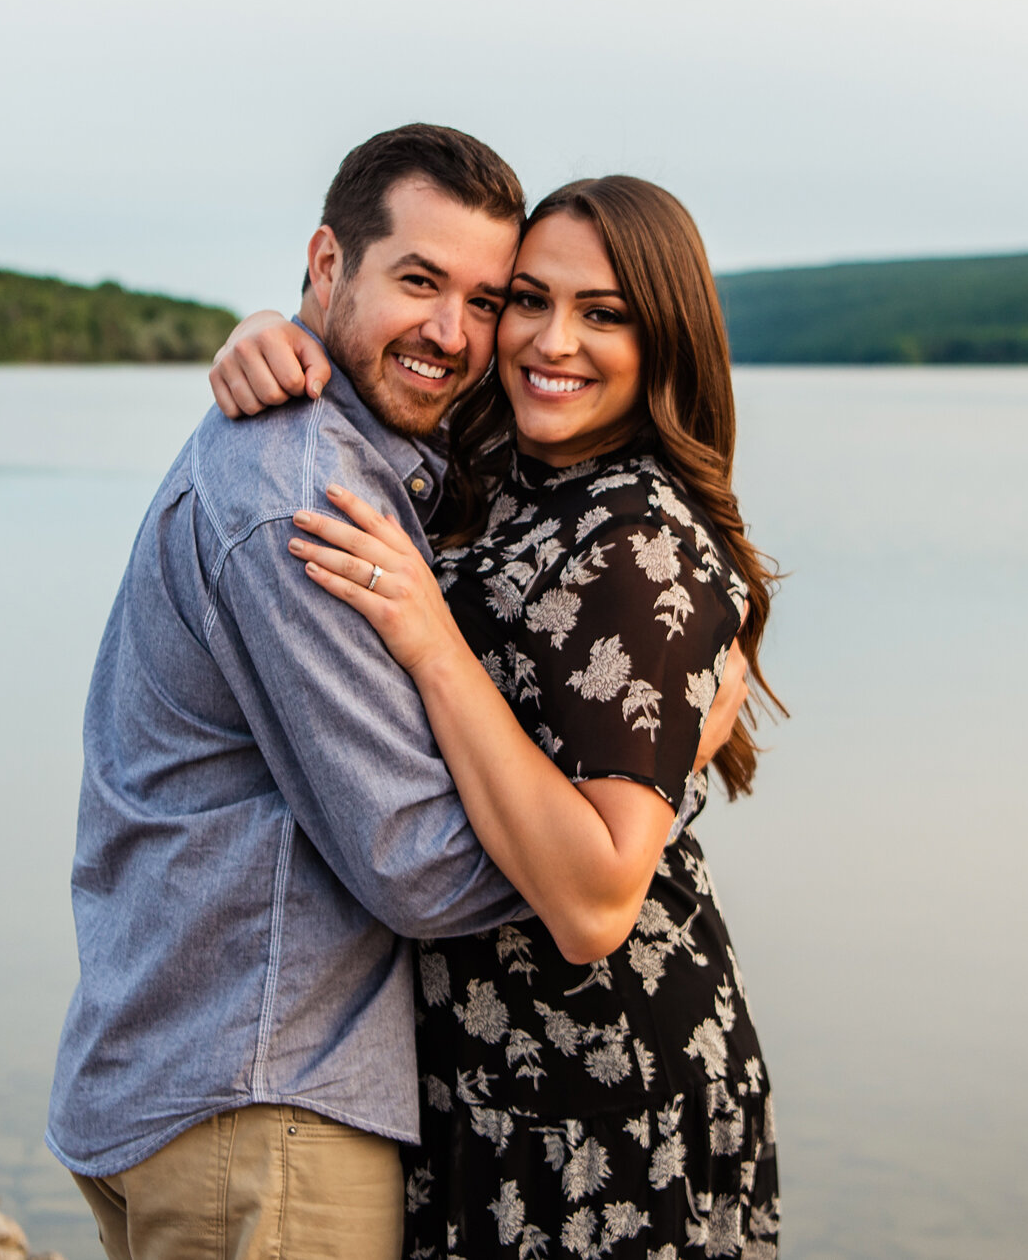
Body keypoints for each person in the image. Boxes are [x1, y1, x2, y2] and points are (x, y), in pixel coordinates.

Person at [211, 175, 782, 1258]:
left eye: (602, 313)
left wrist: (431, 641)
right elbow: (377, 353)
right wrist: (268, 334)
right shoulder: (500, 465)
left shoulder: (636, 544)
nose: (550, 340)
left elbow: (595, 902)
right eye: (526, 299)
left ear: (663, 338)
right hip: (479, 1075)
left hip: (601, 1090)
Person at [45, 124, 541, 1260]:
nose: (452, 333)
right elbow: (413, 857)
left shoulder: (336, 448)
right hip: (262, 1107)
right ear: (327, 262)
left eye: (483, 297)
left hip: (197, 1075)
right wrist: (615, 845)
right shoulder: (302, 498)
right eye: (418, 280)